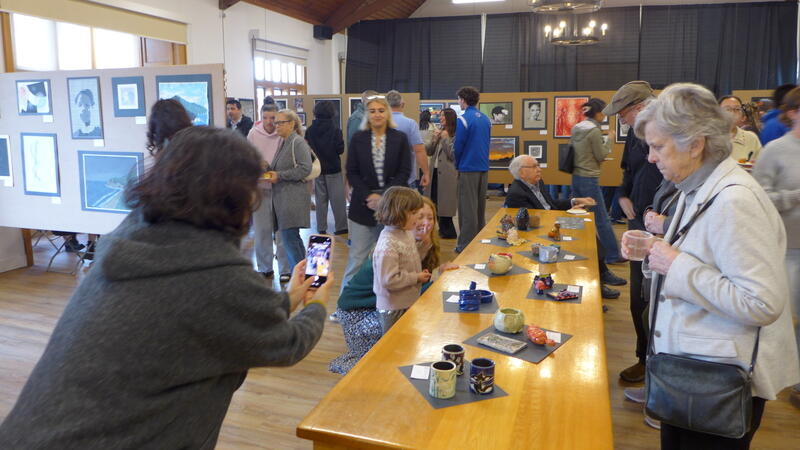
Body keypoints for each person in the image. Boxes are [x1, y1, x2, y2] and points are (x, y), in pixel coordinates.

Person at [0, 127, 333, 449]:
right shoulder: (213, 272)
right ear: (234, 196)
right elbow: (286, 343)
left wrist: (290, 298)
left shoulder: (131, 235)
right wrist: (317, 304)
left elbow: (229, 318)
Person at [621, 82, 799, 448]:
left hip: (716, 383)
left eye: (658, 146)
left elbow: (761, 302)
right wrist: (656, 250)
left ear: (695, 143)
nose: (651, 158)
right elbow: (702, 255)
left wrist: (675, 264)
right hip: (694, 372)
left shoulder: (735, 200)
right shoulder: (700, 187)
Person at [329, 196, 458, 374]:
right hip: (357, 313)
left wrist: (436, 272)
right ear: (403, 218)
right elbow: (405, 288)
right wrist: (437, 277)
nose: (426, 223)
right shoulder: (392, 246)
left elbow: (416, 286)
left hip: (384, 304)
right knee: (387, 357)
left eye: (430, 217)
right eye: (418, 216)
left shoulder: (419, 244)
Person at [602, 80, 662, 383]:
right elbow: (628, 169)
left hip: (663, 225)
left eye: (623, 114)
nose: (621, 120)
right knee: (638, 295)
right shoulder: (634, 133)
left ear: (639, 108)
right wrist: (624, 195)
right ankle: (643, 358)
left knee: (657, 298)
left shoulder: (666, 131)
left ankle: (658, 364)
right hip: (638, 220)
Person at [505, 155, 626, 299]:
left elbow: (551, 204)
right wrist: (564, 216)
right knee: (582, 238)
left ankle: (602, 274)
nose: (539, 169)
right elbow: (532, 222)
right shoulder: (516, 194)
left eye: (538, 165)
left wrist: (574, 201)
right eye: (534, 166)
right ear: (521, 172)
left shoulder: (537, 183)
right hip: (540, 233)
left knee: (586, 232)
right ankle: (597, 286)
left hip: (552, 222)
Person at [752, 86, 800, 410]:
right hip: (788, 251)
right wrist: (795, 196)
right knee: (782, 317)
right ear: (793, 112)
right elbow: (760, 199)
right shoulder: (776, 150)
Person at [342, 96, 412, 289]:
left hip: (392, 206)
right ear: (367, 114)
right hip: (362, 205)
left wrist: (383, 198)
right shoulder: (358, 139)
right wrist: (369, 196)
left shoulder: (400, 138)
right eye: (372, 111)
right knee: (357, 259)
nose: (377, 114)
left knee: (391, 258)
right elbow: (352, 172)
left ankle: (386, 300)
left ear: (387, 113)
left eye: (381, 110)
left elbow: (404, 172)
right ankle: (345, 302)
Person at [570, 98, 622, 264]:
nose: (604, 116)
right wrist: (610, 139)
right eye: (603, 112)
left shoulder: (577, 128)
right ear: (598, 113)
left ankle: (578, 248)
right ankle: (613, 255)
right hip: (589, 178)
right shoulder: (594, 131)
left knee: (579, 214)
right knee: (601, 218)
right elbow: (601, 154)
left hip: (576, 176)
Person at [372, 187, 431, 334]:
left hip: (408, 301)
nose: (417, 218)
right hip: (393, 308)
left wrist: (424, 246)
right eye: (414, 213)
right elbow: (389, 280)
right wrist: (416, 277)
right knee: (395, 344)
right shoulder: (388, 244)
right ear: (398, 213)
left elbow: (410, 259)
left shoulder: (405, 233)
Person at [247, 103, 291, 281]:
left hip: (281, 188)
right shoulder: (253, 134)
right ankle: (264, 267)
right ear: (261, 117)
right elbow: (247, 158)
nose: (269, 122)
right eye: (265, 118)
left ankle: (285, 269)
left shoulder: (283, 134)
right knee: (262, 230)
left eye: (273, 118)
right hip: (260, 188)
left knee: (282, 231)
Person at [265, 109, 313, 270]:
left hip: (292, 199)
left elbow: (305, 169)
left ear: (292, 124)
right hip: (285, 198)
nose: (276, 125)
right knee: (292, 240)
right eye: (276, 123)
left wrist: (279, 175)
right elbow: (281, 168)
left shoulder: (297, 142)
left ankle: (300, 276)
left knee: (290, 240)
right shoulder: (285, 142)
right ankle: (303, 274)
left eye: (280, 122)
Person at [454, 86, 491, 253]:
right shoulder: (485, 119)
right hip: (483, 166)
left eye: (459, 99)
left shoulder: (463, 119)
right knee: (479, 209)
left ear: (463, 100)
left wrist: (457, 165)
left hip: (468, 167)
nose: (458, 102)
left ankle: (465, 246)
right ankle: (479, 241)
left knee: (467, 209)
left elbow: (458, 146)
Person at [305, 100, 348, 236]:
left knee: (320, 200)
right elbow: (340, 150)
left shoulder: (310, 130)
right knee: (338, 200)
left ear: (315, 112)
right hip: (333, 168)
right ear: (331, 112)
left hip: (318, 169)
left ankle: (321, 227)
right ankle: (341, 227)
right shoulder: (336, 130)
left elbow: (308, 150)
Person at [424, 107, 459, 239]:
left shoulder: (455, 134)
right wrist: (434, 139)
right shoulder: (440, 131)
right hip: (435, 172)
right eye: (440, 115)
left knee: (445, 204)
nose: (440, 118)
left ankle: (448, 232)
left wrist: (445, 139)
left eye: (443, 115)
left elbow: (452, 155)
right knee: (434, 201)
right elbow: (429, 152)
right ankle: (443, 231)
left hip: (447, 174)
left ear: (449, 118)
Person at [386, 90, 430, 189]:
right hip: (407, 179)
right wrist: (426, 173)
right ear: (402, 104)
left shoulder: (380, 123)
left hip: (385, 180)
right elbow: (419, 150)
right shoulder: (410, 124)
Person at [718, 96, 762, 162]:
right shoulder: (708, 137)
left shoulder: (751, 138)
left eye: (737, 109)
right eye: (727, 109)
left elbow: (760, 163)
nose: (733, 112)